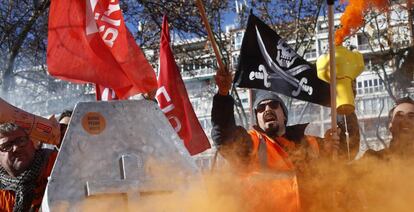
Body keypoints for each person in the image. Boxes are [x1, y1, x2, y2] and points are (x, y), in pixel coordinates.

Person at [211, 70, 337, 211]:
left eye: (274, 105)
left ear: (284, 115)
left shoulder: (310, 143)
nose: (267, 109)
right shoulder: (251, 143)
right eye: (261, 107)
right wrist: (223, 95)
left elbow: (346, 154)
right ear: (257, 119)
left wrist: (344, 101)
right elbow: (223, 136)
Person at [0, 123, 57, 212]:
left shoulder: (55, 162)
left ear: (31, 143)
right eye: (7, 146)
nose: (16, 148)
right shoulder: (2, 195)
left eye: (21, 141)